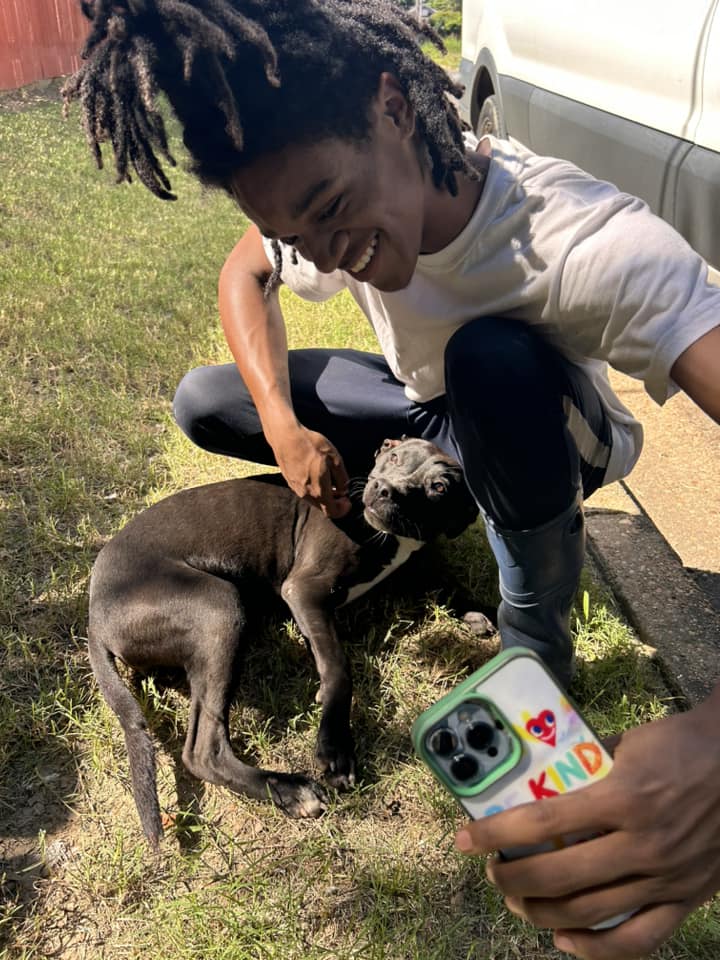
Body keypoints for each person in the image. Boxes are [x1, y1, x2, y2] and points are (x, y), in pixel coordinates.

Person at [63, 2, 720, 956]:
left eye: (329, 210)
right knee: (211, 399)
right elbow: (243, 277)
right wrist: (286, 432)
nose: (322, 254)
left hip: (540, 419)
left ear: (394, 109)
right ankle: (411, 504)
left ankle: (537, 632)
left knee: (491, 359)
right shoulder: (321, 208)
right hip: (432, 398)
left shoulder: (582, 242)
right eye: (298, 230)